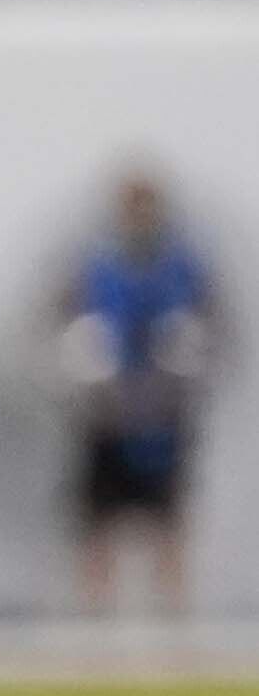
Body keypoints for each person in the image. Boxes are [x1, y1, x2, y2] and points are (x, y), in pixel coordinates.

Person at [61, 166, 219, 615]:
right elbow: (63, 323)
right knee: (96, 526)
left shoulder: (185, 266)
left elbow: (213, 328)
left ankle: (175, 623)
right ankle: (92, 620)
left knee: (169, 527)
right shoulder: (96, 265)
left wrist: (192, 350)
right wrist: (82, 354)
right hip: (107, 413)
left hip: (165, 415)